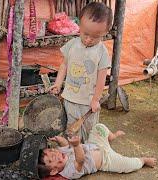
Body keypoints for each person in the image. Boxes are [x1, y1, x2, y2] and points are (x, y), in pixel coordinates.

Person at [48, 2, 113, 142]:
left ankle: (89, 152)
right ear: (80, 25)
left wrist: (96, 99)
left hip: (88, 102)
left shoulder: (101, 52)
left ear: (105, 33)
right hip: (70, 98)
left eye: (95, 37)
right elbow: (64, 65)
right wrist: (58, 84)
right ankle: (73, 153)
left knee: (89, 129)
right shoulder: (72, 45)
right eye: (85, 34)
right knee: (71, 129)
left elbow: (102, 78)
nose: (89, 40)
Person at [37, 123, 157, 179]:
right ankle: (143, 160)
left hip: (95, 145)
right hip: (106, 160)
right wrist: (77, 145)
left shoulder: (61, 153)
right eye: (52, 159)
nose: (56, 154)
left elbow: (64, 145)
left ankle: (112, 136)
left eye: (53, 151)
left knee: (98, 127)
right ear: (53, 171)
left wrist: (58, 139)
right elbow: (80, 160)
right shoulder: (69, 171)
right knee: (128, 165)